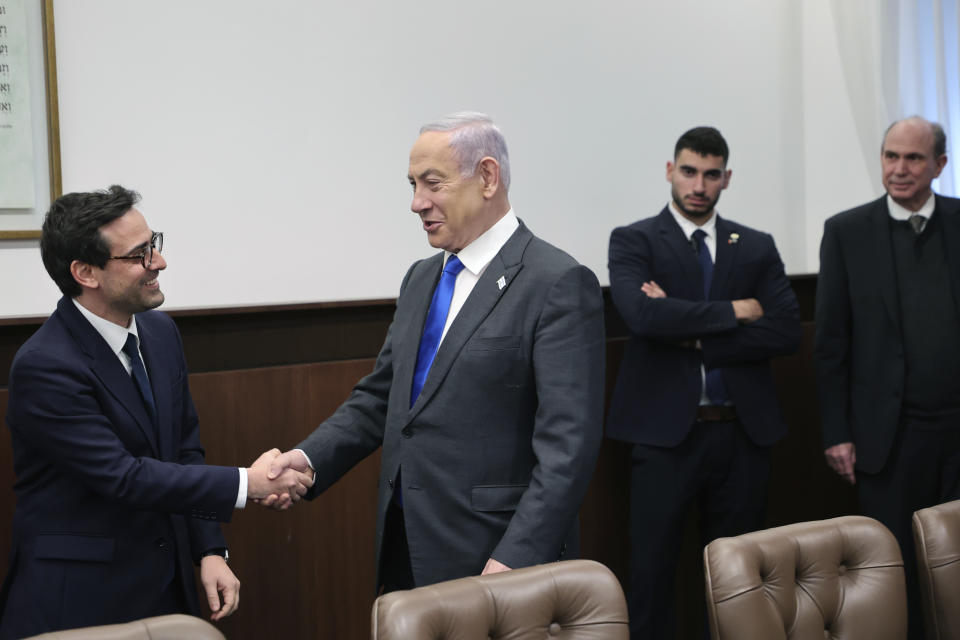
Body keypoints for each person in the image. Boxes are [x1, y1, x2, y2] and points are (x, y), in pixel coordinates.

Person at [264, 112, 605, 591]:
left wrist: (517, 558)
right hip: (407, 545)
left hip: (499, 559)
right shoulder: (421, 278)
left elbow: (568, 448)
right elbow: (382, 399)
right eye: (411, 184)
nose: (416, 203)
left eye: (432, 184)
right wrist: (308, 457)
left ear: (487, 177)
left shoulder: (557, 282)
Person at [0, 186, 313, 639]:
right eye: (140, 254)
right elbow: (123, 477)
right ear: (85, 272)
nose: (159, 263)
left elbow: (183, 450)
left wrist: (209, 550)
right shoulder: (45, 365)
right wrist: (251, 483)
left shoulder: (160, 332)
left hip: (167, 588)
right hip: (81, 602)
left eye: (155, 244)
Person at [606, 126, 800, 638]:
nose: (699, 184)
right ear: (671, 171)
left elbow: (783, 330)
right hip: (664, 437)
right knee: (652, 576)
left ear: (726, 179)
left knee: (741, 580)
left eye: (711, 175)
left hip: (742, 434)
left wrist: (692, 333)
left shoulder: (755, 246)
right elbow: (643, 318)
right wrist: (736, 311)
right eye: (689, 171)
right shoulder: (634, 241)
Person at [815, 116, 960, 639]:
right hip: (887, 437)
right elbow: (830, 343)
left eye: (914, 158)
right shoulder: (847, 231)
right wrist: (837, 432)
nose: (899, 169)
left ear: (940, 165)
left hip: (957, 431)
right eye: (890, 157)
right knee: (895, 567)